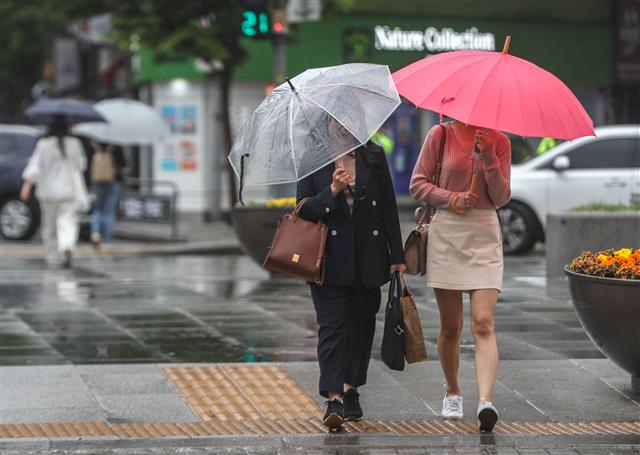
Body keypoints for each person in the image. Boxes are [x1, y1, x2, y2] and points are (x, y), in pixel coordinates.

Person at [297, 115, 406, 430]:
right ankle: (333, 398)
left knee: (361, 325)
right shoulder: (313, 160)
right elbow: (302, 209)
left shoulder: (373, 156)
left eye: (349, 119)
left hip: (368, 259)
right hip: (328, 261)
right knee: (332, 328)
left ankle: (351, 389)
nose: (343, 125)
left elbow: (387, 207)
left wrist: (396, 255)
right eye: (336, 121)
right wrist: (331, 191)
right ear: (327, 124)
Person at [409, 120, 511, 433]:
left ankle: (485, 401)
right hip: (447, 231)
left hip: (483, 231)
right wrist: (451, 197)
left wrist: (490, 157)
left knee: (483, 322)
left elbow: (503, 196)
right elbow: (417, 184)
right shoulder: (439, 135)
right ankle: (453, 391)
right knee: (451, 325)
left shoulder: (499, 140)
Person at [20, 119, 87, 268]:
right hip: (68, 191)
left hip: (48, 192)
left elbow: (35, 167)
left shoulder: (44, 144)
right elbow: (81, 165)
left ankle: (52, 255)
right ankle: (67, 245)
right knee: (67, 221)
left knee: (49, 226)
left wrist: (26, 186)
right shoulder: (75, 143)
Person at [88, 140, 126, 249]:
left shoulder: (93, 144)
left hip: (95, 182)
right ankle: (107, 238)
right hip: (112, 182)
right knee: (109, 211)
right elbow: (123, 163)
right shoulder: (115, 144)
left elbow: (87, 165)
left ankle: (95, 233)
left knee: (96, 209)